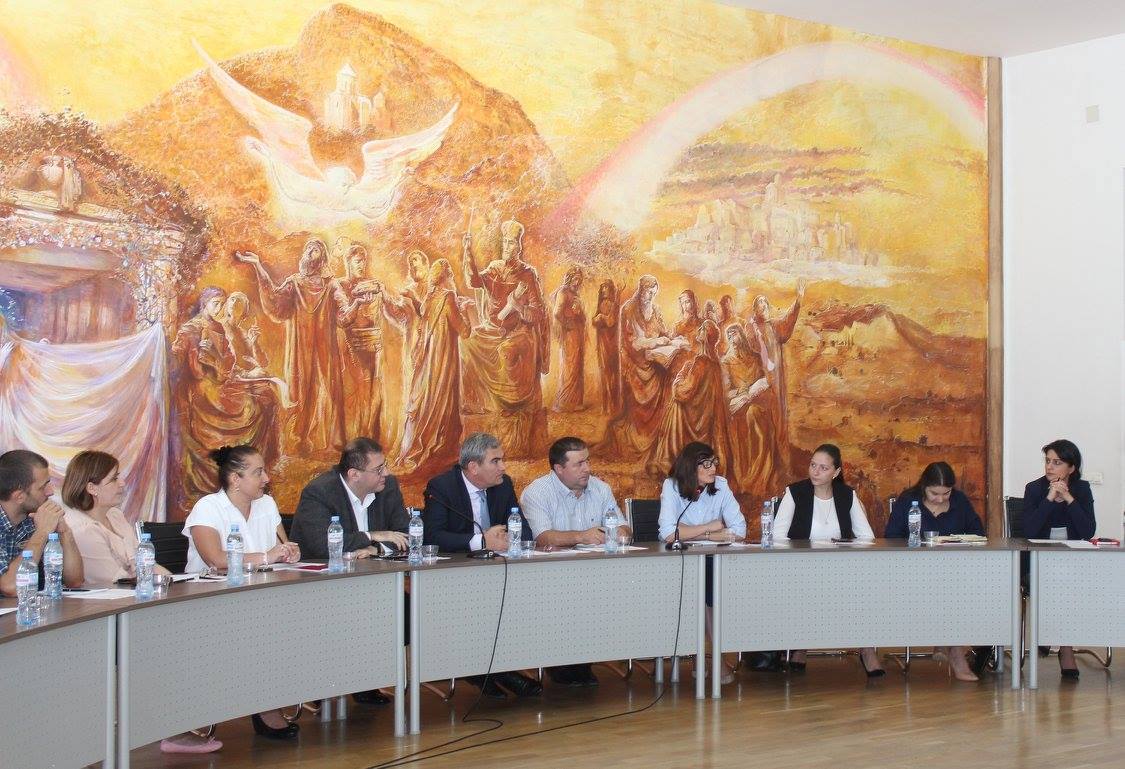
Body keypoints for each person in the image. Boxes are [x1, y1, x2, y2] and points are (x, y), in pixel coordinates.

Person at [183, 445, 302, 739]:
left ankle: (273, 699)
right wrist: (266, 556)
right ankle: (264, 706)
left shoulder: (267, 505)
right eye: (258, 472)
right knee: (264, 627)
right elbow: (216, 560)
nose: (266, 478)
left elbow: (281, 547)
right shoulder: (208, 507)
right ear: (235, 479)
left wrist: (289, 552)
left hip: (258, 596)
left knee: (295, 621)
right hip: (209, 601)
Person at [420, 432, 540, 699]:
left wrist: (508, 539)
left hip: (497, 574)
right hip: (454, 577)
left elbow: (524, 531)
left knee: (522, 602)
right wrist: (481, 541)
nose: (503, 467)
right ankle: (493, 673)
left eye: (502, 460)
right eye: (495, 461)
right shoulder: (442, 487)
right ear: (473, 467)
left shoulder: (503, 485)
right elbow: (432, 537)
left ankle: (493, 672)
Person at [520, 436, 628, 687]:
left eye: (587, 461)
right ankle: (563, 663)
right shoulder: (537, 492)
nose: (587, 469)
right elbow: (542, 537)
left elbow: (624, 529)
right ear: (559, 468)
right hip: (550, 577)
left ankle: (583, 660)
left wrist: (613, 533)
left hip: (597, 574)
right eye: (579, 464)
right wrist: (582, 536)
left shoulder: (600, 488)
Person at [772, 443, 883, 677]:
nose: (815, 472)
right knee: (806, 588)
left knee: (864, 589)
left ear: (836, 472)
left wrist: (846, 549)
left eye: (823, 468)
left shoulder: (847, 495)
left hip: (840, 568)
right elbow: (778, 536)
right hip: (801, 567)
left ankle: (866, 649)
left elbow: (867, 537)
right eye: (813, 465)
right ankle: (801, 645)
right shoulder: (795, 493)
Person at [236, 238, 347, 455]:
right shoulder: (295, 283)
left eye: (316, 250)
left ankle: (331, 440)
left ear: (322, 258)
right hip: (299, 347)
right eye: (308, 249)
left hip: (325, 347)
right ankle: (300, 438)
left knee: (327, 387)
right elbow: (275, 300)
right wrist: (258, 266)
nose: (310, 253)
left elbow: (343, 309)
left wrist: (353, 306)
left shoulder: (331, 284)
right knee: (300, 385)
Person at [657, 442, 746, 685]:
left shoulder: (721, 485)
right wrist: (710, 529)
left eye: (714, 462)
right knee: (704, 587)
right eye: (706, 464)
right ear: (690, 467)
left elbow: (739, 530)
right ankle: (715, 657)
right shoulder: (672, 486)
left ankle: (703, 655)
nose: (713, 468)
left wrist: (690, 531)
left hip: (713, 561)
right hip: (680, 563)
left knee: (710, 582)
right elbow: (668, 533)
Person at [886, 462, 984, 681]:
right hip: (914, 571)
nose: (940, 499)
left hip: (954, 569)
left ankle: (950, 645)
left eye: (945, 493)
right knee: (946, 589)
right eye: (934, 494)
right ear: (924, 487)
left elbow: (978, 533)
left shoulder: (959, 501)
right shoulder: (908, 501)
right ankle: (954, 650)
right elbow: (891, 537)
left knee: (958, 587)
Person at [1023, 438, 1096, 679]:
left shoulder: (1081, 489)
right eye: (1047, 461)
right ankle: (1063, 646)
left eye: (1057, 462)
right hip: (1039, 560)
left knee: (1069, 583)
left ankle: (1058, 641)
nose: (1049, 467)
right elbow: (1029, 531)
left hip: (1072, 561)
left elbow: (1087, 531)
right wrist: (1048, 499)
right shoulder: (1034, 489)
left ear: (1071, 468)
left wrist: (1069, 498)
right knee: (1056, 583)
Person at [396, 259, 472, 476]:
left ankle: (426, 450)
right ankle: (441, 451)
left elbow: (424, 314)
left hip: (428, 363)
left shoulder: (430, 298)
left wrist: (413, 298)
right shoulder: (449, 297)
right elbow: (464, 331)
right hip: (443, 362)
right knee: (443, 400)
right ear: (446, 276)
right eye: (451, 275)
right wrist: (465, 309)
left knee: (428, 401)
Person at [60, 450, 171, 585]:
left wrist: (171, 579)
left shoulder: (115, 515)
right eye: (114, 479)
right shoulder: (83, 529)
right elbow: (117, 581)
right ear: (92, 488)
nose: (122, 483)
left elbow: (145, 563)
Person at [290, 438, 409, 559]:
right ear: (354, 474)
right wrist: (370, 536)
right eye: (379, 469)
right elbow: (322, 545)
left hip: (374, 569)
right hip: (325, 569)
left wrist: (376, 549)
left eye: (385, 465)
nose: (386, 473)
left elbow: (408, 535)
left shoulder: (388, 486)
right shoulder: (319, 492)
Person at [0, 450, 84, 596]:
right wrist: (42, 532)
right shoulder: (41, 524)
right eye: (43, 487)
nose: (50, 492)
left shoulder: (34, 518)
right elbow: (10, 587)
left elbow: (74, 581)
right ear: (19, 497)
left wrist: (65, 532)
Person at [551, 267, 587, 412]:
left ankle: (575, 401)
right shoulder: (563, 292)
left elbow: (582, 317)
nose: (577, 282)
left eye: (579, 279)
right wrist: (568, 324)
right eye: (575, 278)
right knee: (569, 367)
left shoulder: (574, 293)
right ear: (569, 278)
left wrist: (579, 312)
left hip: (577, 332)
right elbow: (557, 313)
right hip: (569, 334)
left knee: (577, 366)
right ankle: (564, 402)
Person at [591, 279, 621, 415]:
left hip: (611, 343)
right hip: (602, 342)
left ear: (611, 290)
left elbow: (610, 322)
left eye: (606, 289)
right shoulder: (602, 304)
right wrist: (597, 318)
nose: (604, 291)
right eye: (602, 289)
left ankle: (612, 406)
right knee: (604, 373)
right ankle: (606, 405)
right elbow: (594, 320)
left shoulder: (614, 304)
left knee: (612, 373)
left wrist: (601, 317)